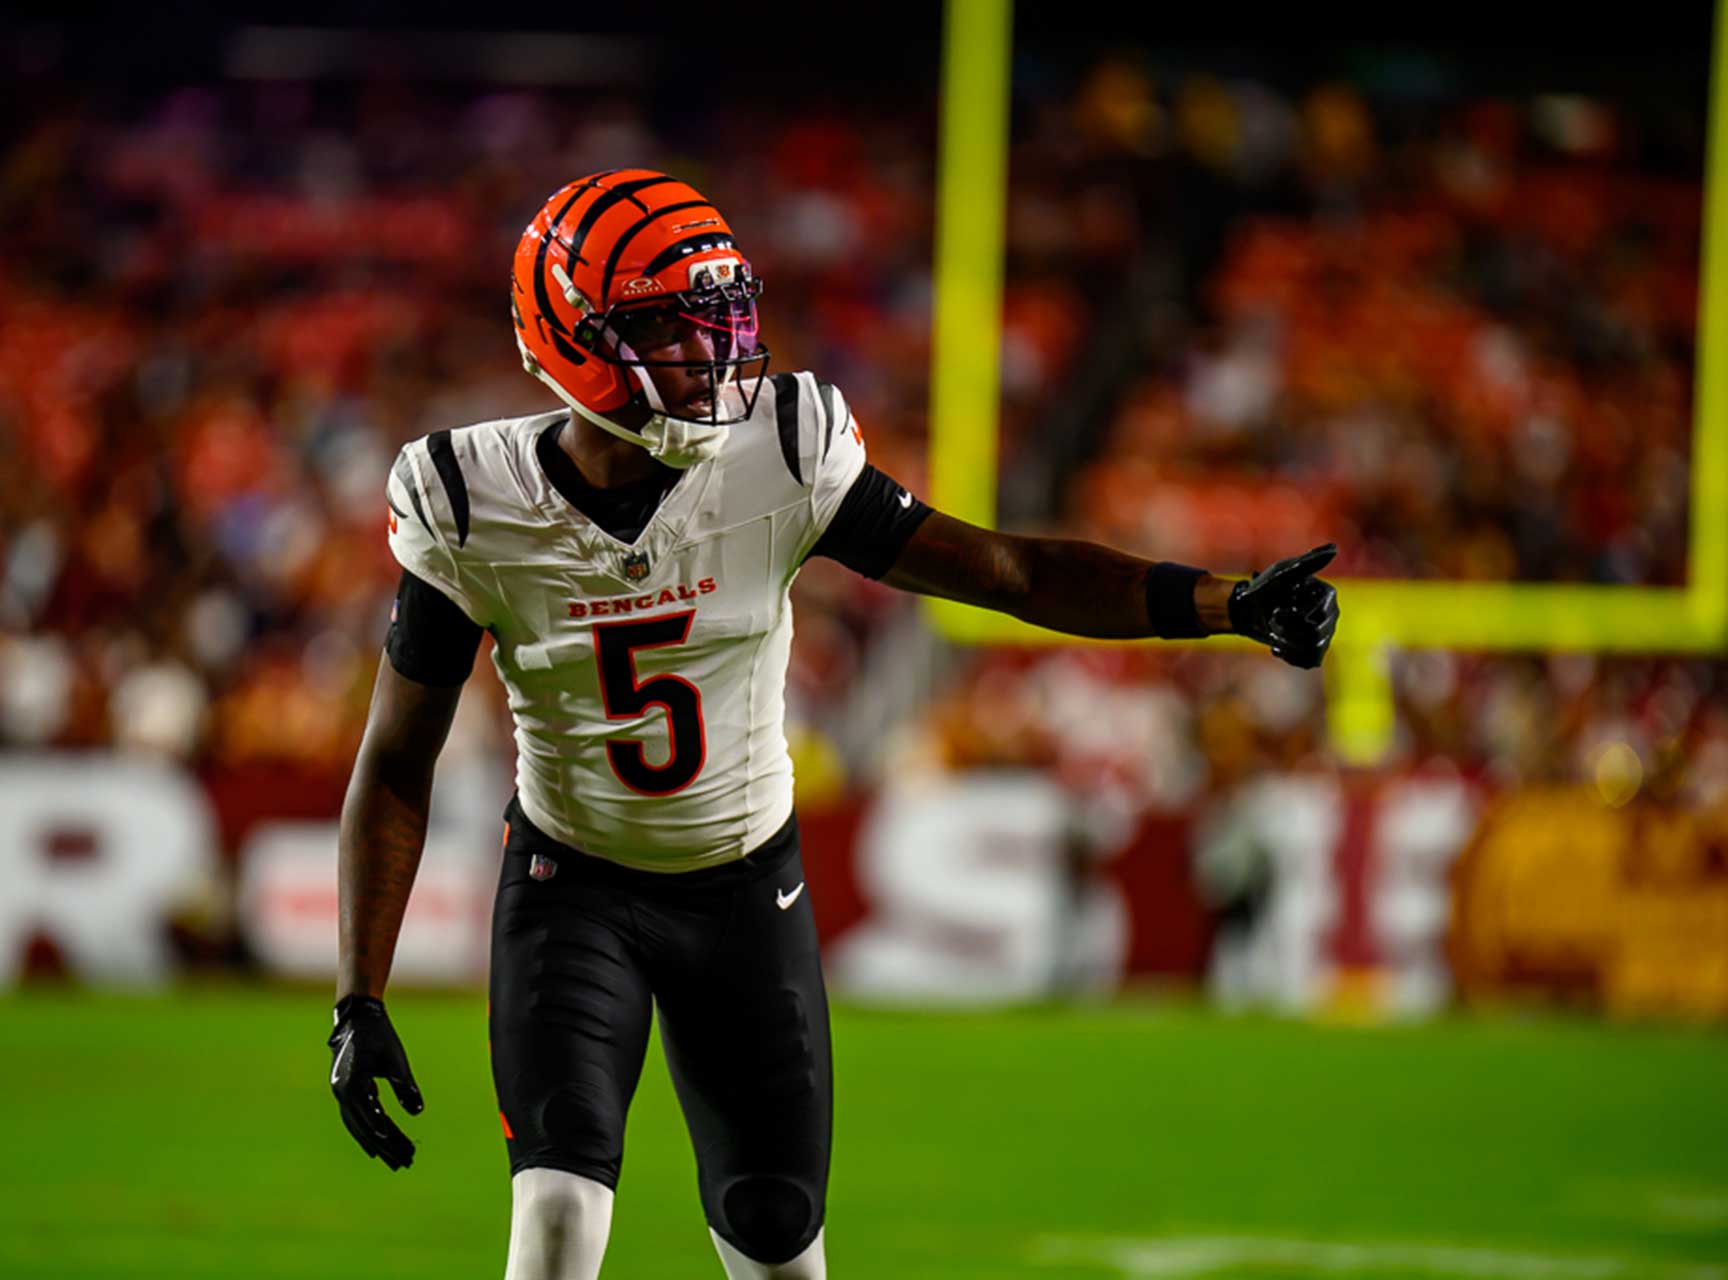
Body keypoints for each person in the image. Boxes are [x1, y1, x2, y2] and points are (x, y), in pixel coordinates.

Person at [327, 169, 1340, 1280]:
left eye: (716, 316)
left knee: (778, 1247)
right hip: (575, 889)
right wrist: (356, 995)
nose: (709, 355)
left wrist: (1219, 602)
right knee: (558, 1223)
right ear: (572, 336)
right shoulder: (472, 503)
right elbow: (394, 764)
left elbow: (1002, 569)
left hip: (744, 889)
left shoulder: (785, 449)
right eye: (669, 325)